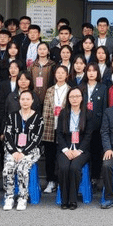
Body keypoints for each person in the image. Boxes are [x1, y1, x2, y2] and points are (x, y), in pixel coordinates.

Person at [2, 90, 43, 211]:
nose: (25, 102)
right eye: (23, 99)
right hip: (13, 150)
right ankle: (9, 196)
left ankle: (23, 197)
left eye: (28, 99)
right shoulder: (12, 116)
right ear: (19, 101)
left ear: (32, 101)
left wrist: (23, 152)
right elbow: (7, 135)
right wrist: (14, 151)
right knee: (8, 168)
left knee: (22, 169)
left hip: (30, 151)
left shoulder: (38, 118)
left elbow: (37, 139)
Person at [56, 87, 92, 209]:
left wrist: (79, 150)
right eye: (71, 97)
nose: (74, 99)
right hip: (65, 148)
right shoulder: (63, 113)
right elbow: (59, 134)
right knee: (64, 167)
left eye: (77, 96)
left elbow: (88, 135)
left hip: (82, 149)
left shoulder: (88, 114)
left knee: (74, 167)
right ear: (68, 99)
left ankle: (72, 200)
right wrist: (66, 150)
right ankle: (64, 199)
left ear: (82, 98)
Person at [41, 65, 70, 194]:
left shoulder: (70, 90)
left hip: (64, 127)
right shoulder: (50, 90)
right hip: (50, 126)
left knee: (62, 155)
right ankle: (51, 181)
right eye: (58, 73)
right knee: (50, 156)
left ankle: (60, 181)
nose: (60, 75)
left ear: (67, 75)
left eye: (62, 73)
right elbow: (45, 110)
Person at [79, 63, 108, 185]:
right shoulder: (80, 87)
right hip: (82, 125)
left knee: (96, 152)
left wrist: (104, 126)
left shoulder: (103, 87)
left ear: (98, 73)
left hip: (97, 125)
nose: (91, 73)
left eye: (94, 71)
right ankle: (82, 178)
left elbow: (105, 107)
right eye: (89, 70)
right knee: (83, 151)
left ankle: (94, 178)